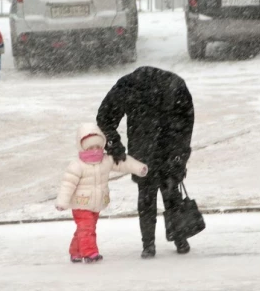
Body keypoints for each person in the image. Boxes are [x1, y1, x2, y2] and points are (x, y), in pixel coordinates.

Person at [96, 66, 194, 259]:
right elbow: (186, 123)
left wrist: (114, 145)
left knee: (149, 196)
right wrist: (114, 145)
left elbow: (105, 117)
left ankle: (150, 245)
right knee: (169, 193)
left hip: (149, 149)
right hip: (157, 150)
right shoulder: (171, 85)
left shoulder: (129, 85)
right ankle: (178, 238)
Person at [55, 123, 148, 263]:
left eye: (98, 147)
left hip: (96, 203)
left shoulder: (106, 160)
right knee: (87, 228)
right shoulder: (77, 165)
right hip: (81, 204)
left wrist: (139, 168)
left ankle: (76, 251)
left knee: (85, 229)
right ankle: (90, 253)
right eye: (91, 148)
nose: (95, 150)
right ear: (83, 147)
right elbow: (67, 184)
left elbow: (123, 163)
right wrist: (62, 202)